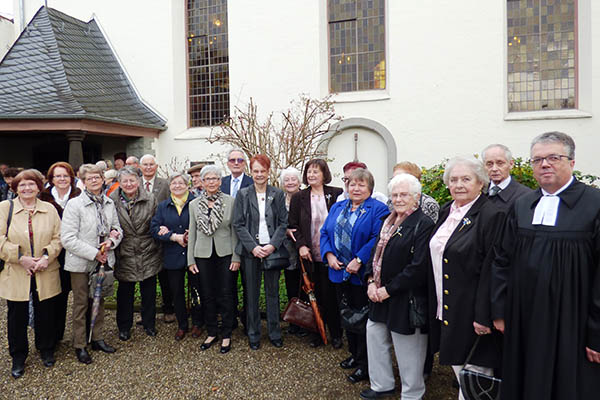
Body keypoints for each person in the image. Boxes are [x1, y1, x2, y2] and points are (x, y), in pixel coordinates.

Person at [492, 132, 600, 400]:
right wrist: (500, 309)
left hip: (572, 323)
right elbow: (501, 260)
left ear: (572, 162)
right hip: (524, 320)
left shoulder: (595, 205)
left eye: (554, 157)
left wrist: (596, 332)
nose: (545, 164)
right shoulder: (522, 206)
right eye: (537, 159)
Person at [428, 156, 504, 400]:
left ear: (480, 183)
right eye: (453, 179)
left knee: (476, 375)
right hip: (447, 305)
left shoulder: (491, 215)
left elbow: (493, 269)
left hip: (472, 310)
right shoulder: (446, 211)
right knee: (461, 370)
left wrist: (484, 316)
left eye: (465, 179)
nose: (458, 184)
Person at [360, 173, 434, 400]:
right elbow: (374, 254)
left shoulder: (423, 224)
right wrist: (371, 281)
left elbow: (418, 267)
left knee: (408, 349)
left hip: (405, 297)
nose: (399, 199)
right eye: (395, 195)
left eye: (404, 195)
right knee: (375, 338)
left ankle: (412, 393)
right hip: (378, 295)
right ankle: (382, 384)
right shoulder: (388, 220)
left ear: (417, 197)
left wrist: (388, 290)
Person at [320, 168, 390, 383]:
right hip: (338, 271)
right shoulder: (338, 206)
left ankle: (365, 365)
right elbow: (324, 232)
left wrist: (359, 260)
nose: (356, 188)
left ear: (370, 187)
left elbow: (376, 238)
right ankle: (354, 355)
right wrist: (329, 255)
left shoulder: (378, 209)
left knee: (362, 320)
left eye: (361, 184)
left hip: (361, 274)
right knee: (346, 315)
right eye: (352, 184)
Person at [0, 170, 62, 378]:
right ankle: (18, 356)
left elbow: (59, 237)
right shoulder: (4, 208)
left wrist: (46, 257)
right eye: (22, 185)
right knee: (17, 315)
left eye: (31, 184)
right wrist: (20, 257)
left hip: (45, 268)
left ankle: (46, 349)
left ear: (39, 186)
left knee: (45, 311)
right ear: (15, 187)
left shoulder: (50, 209)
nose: (27, 188)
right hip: (17, 270)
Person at [61, 164, 122, 364]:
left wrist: (111, 241)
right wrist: (94, 253)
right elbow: (68, 238)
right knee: (80, 304)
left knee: (99, 299)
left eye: (97, 177)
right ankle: (80, 344)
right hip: (81, 262)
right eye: (90, 178)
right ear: (83, 181)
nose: (94, 180)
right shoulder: (74, 205)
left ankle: (97, 338)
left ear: (103, 179)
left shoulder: (108, 203)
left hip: (103, 260)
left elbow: (116, 228)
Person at [232, 154, 287, 350]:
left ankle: (274, 332)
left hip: (272, 249)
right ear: (251, 172)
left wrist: (272, 245)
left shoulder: (277, 194)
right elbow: (238, 224)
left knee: (272, 293)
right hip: (251, 251)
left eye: (262, 171)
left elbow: (283, 223)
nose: (259, 175)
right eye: (255, 171)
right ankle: (253, 334)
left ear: (268, 172)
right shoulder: (243, 194)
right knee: (252, 294)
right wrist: (253, 247)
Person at [288, 159, 344, 348]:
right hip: (310, 255)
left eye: (316, 172)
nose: (311, 175)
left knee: (333, 296)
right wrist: (301, 246)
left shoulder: (336, 194)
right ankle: (318, 333)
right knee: (316, 296)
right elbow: (293, 226)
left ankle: (336, 334)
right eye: (309, 172)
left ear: (324, 174)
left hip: (333, 255)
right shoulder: (299, 197)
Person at [188, 165, 240, 353]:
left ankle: (226, 334)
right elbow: (192, 233)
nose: (211, 182)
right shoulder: (194, 204)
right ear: (202, 182)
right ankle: (212, 331)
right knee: (207, 294)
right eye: (207, 179)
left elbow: (235, 231)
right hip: (202, 254)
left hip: (226, 253)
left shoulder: (231, 201)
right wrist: (190, 260)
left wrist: (236, 256)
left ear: (220, 181)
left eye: (215, 179)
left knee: (226, 294)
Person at [109, 166, 162, 340]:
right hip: (124, 251)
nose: (129, 184)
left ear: (138, 181)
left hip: (148, 250)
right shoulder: (111, 200)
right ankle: (124, 327)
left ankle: (149, 324)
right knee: (125, 293)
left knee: (148, 292)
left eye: (132, 180)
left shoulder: (150, 199)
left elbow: (155, 222)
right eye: (125, 181)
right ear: (119, 183)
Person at [151, 172, 202, 341]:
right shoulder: (163, 206)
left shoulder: (196, 203)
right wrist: (172, 236)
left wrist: (190, 235)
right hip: (172, 255)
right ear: (170, 186)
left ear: (187, 185)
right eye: (174, 183)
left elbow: (203, 225)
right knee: (177, 292)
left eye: (181, 183)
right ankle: (182, 325)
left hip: (194, 254)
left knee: (196, 290)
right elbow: (155, 228)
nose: (177, 186)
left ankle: (197, 322)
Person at [39, 162, 82, 346]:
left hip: (76, 251)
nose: (62, 179)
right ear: (51, 179)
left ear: (71, 178)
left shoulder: (79, 195)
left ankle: (78, 336)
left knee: (76, 294)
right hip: (52, 252)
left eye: (65, 176)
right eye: (58, 176)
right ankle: (53, 336)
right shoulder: (43, 198)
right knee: (54, 296)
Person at [139, 154, 175, 324]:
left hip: (161, 235)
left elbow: (171, 205)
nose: (148, 167)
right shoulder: (134, 183)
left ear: (156, 166)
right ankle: (147, 313)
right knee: (146, 278)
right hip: (140, 238)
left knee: (165, 276)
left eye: (151, 164)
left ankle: (169, 308)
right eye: (145, 164)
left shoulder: (165, 184)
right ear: (140, 167)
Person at [279, 166, 305, 337]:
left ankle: (307, 320)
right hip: (287, 251)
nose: (290, 182)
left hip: (304, 248)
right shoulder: (279, 199)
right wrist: (286, 230)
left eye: (293, 179)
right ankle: (294, 320)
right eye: (286, 180)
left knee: (305, 285)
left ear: (299, 181)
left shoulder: (306, 197)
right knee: (291, 284)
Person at [481, 144, 532, 211]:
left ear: (511, 164)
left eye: (500, 163)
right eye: (489, 164)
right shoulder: (479, 192)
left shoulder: (525, 195)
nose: (494, 169)